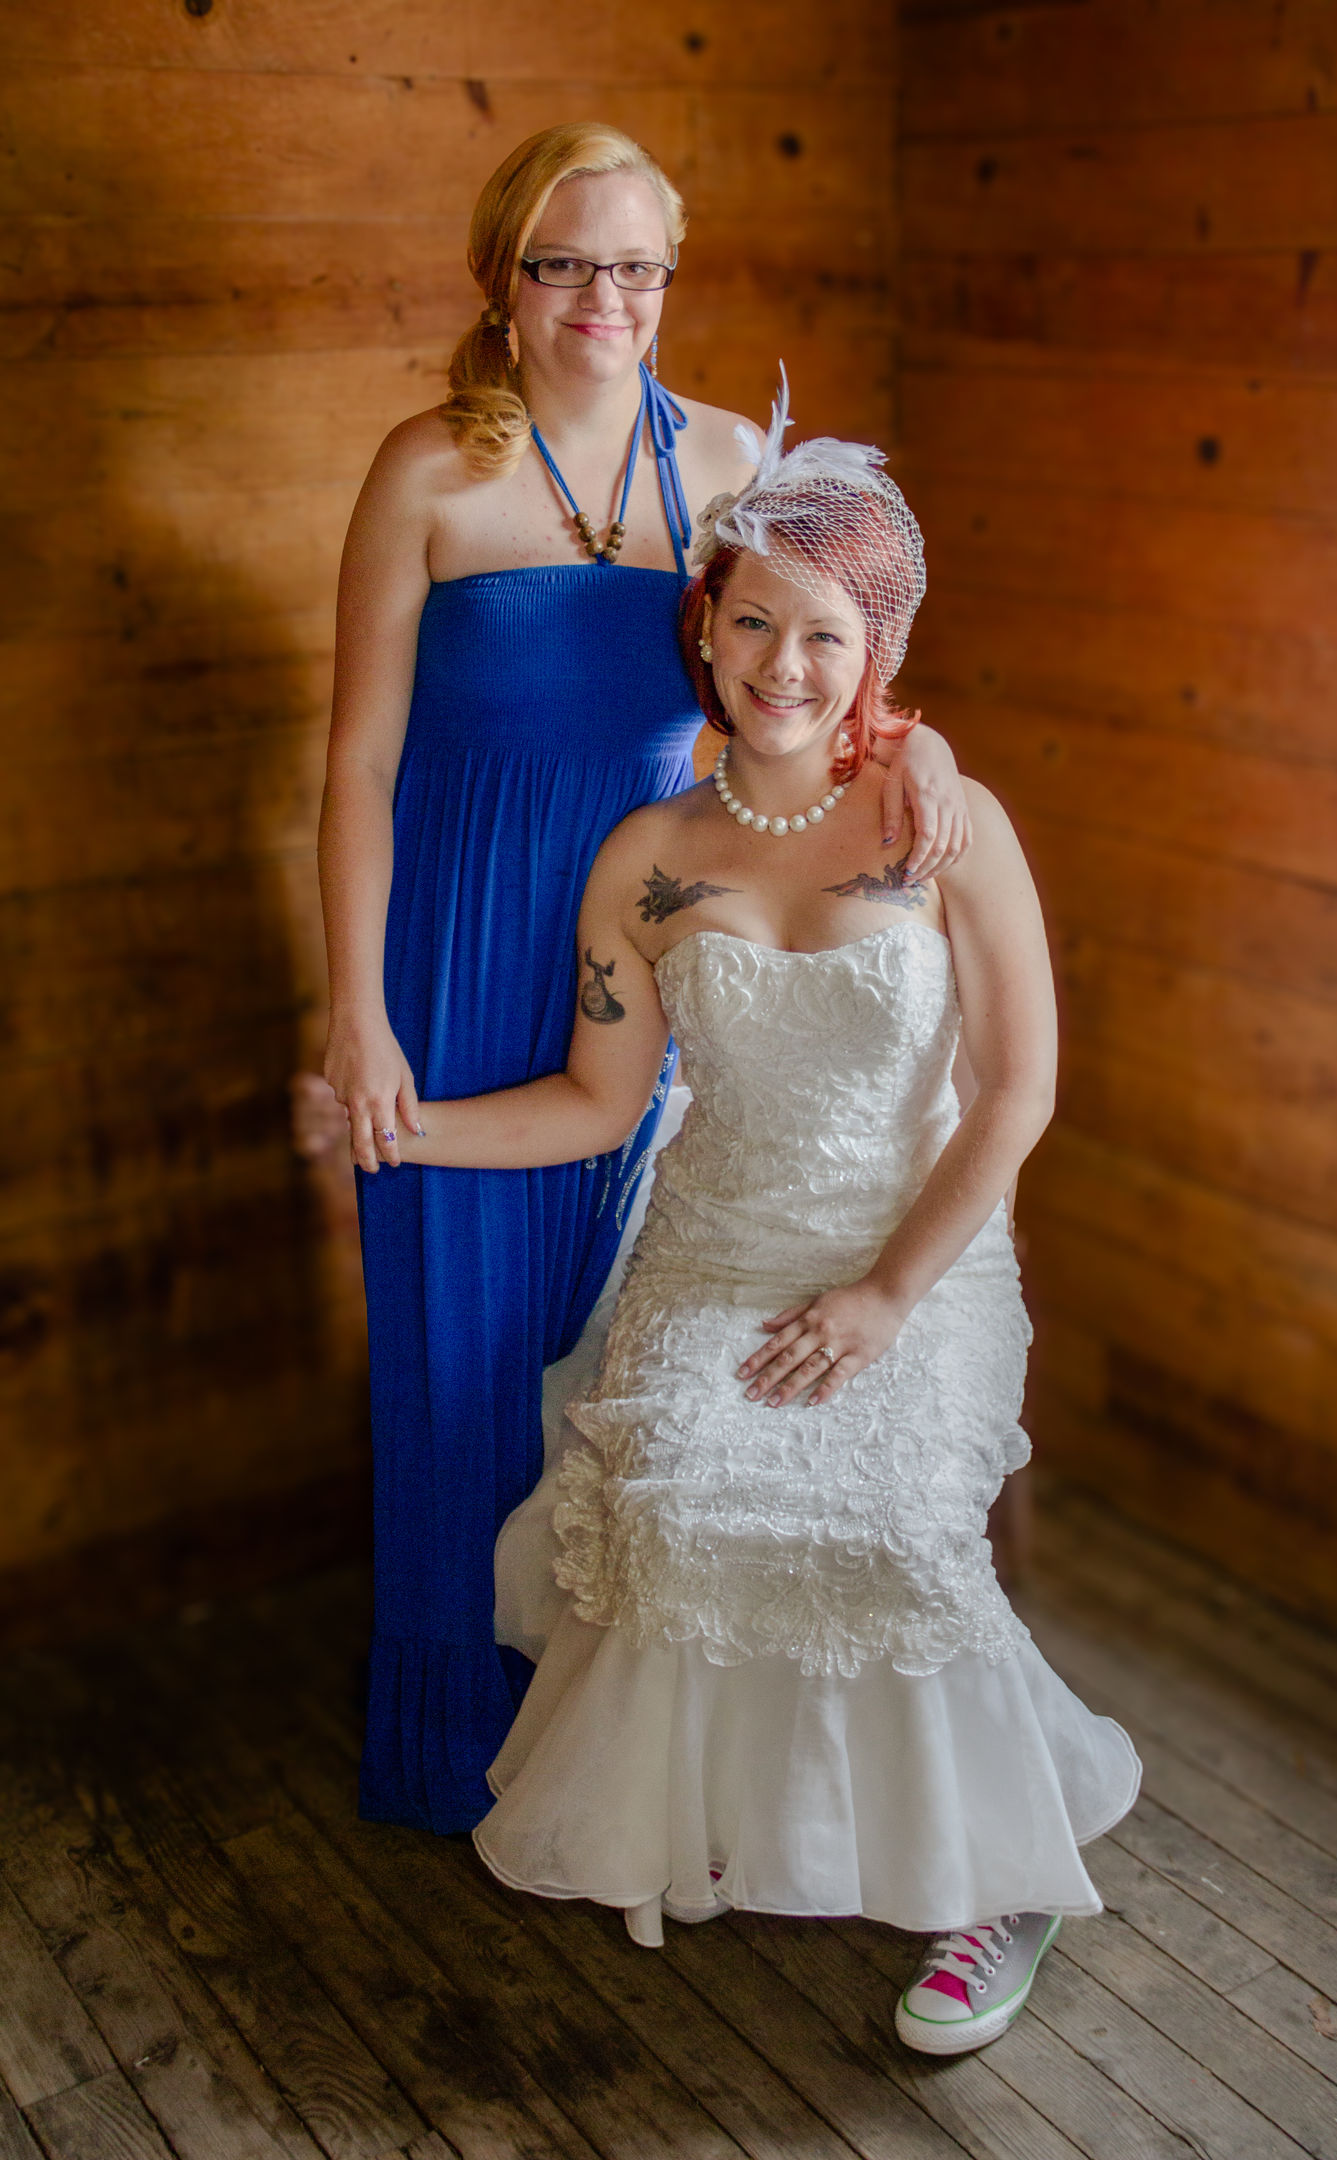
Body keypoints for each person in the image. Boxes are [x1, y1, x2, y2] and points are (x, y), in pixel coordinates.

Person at [387, 399, 1141, 2053]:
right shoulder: (649, 857)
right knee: (678, 1498)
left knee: (888, 1528)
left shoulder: (945, 822)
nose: (782, 666)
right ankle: (745, 1817)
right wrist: (404, 1126)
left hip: (916, 1251)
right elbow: (600, 1103)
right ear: (705, 629)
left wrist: (886, 1296)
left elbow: (1019, 1092)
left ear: (875, 652)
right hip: (715, 1250)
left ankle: (1000, 1880)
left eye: (824, 635)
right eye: (751, 625)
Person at [317, 123, 975, 1833]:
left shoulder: (738, 461)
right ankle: (452, 1738)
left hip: (670, 938)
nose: (601, 296)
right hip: (455, 945)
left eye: (634, 264)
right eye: (563, 262)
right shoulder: (428, 470)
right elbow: (359, 765)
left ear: (670, 279)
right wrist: (359, 1013)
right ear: (503, 280)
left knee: (604, 1342)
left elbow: (825, 657)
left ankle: (600, 1741)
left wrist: (922, 749)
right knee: (461, 1351)